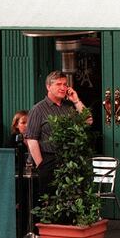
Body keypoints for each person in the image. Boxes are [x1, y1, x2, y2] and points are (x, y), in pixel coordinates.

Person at [24, 71, 90, 199]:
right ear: (48, 87)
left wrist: (76, 101)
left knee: (71, 200)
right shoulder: (38, 109)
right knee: (51, 201)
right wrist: (41, 165)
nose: (63, 88)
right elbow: (31, 139)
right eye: (58, 84)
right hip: (48, 160)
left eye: (65, 84)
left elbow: (88, 120)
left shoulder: (69, 107)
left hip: (69, 160)